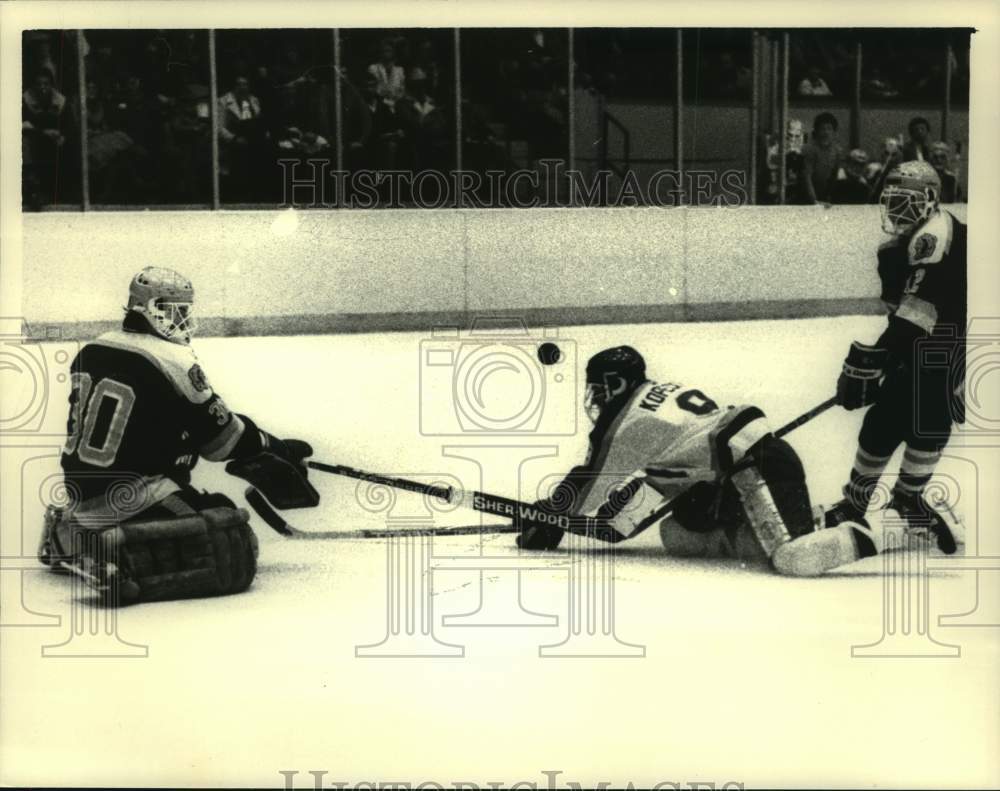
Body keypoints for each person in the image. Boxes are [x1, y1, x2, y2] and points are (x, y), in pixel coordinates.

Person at [38, 267, 319, 604]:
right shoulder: (173, 359)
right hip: (138, 492)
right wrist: (271, 445)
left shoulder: (95, 348)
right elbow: (222, 441)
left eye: (184, 310)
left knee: (192, 508)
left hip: (81, 490)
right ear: (146, 308)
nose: (182, 319)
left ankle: (68, 528)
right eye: (172, 310)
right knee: (229, 531)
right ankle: (109, 552)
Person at [515, 346, 843, 577]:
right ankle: (804, 522)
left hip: (755, 470)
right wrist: (605, 514)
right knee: (676, 535)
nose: (596, 399)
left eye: (599, 390)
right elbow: (667, 474)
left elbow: (589, 485)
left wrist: (550, 511)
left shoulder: (626, 420)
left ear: (616, 384)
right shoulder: (656, 396)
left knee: (793, 558)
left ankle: (862, 532)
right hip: (738, 470)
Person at [822, 160, 966, 560]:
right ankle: (857, 501)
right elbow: (903, 316)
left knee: (928, 418)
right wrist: (889, 355)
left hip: (953, 340)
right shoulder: (895, 250)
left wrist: (880, 358)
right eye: (892, 202)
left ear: (930, 200)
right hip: (927, 340)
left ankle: (908, 500)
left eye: (905, 201)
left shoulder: (937, 236)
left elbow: (920, 313)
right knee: (885, 416)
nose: (895, 210)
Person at [800, 112, 844, 205]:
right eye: (822, 129)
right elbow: (806, 177)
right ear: (816, 131)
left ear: (834, 132)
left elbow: (834, 177)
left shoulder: (837, 151)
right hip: (807, 197)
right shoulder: (810, 150)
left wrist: (830, 198)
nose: (826, 132)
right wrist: (814, 201)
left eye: (829, 129)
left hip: (826, 197)